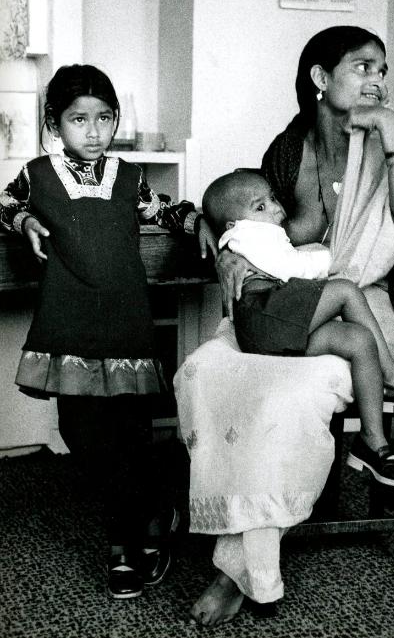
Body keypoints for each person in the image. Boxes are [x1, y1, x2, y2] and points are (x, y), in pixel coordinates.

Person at [179, 26, 394, 625]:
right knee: (206, 369)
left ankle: (237, 571)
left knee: (283, 399)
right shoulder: (289, 149)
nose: (377, 79)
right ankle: (230, 525)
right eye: (363, 67)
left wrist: (392, 132)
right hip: (291, 301)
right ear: (322, 79)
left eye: (383, 69)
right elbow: (246, 212)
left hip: (369, 311)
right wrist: (217, 238)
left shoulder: (391, 139)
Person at [0, 64, 216, 600]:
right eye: (79, 120)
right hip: (69, 326)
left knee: (133, 435)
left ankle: (127, 543)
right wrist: (24, 220)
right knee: (82, 435)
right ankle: (151, 515)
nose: (93, 131)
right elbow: (3, 203)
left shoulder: (126, 174)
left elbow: (162, 212)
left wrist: (201, 223)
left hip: (126, 327)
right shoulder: (37, 173)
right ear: (55, 123)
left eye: (104, 118)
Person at [203, 169, 394, 484]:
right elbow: (290, 267)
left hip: (277, 327)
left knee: (358, 339)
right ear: (233, 225)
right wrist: (334, 261)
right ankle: (393, 376)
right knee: (346, 290)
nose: (274, 208)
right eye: (261, 206)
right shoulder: (246, 235)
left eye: (272, 200)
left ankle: (372, 442)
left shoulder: (256, 232)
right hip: (266, 315)